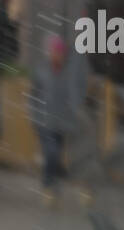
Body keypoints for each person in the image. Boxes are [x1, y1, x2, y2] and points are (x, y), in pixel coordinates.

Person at [30, 33, 89, 207]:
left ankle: (54, 184)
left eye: (59, 52)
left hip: (63, 122)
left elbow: (77, 93)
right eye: (54, 51)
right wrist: (35, 116)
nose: (57, 55)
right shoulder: (41, 70)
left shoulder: (69, 72)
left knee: (56, 155)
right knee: (52, 152)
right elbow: (34, 94)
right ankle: (49, 187)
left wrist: (75, 109)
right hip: (44, 120)